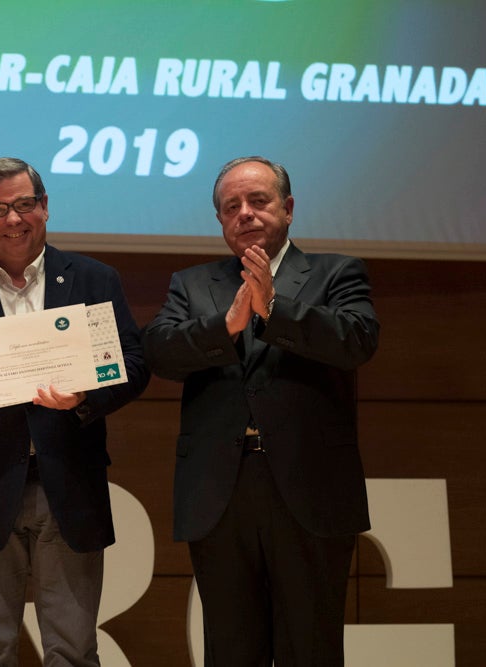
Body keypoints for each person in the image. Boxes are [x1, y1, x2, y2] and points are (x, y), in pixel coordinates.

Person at [0, 157, 149, 666]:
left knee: (74, 651)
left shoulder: (92, 279)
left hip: (70, 482)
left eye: (24, 205)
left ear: (44, 208)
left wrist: (86, 395)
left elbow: (134, 363)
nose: (14, 219)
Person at [142, 156, 380, 666]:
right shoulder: (193, 283)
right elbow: (159, 351)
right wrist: (224, 329)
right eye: (232, 206)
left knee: (309, 648)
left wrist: (276, 309)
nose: (245, 213)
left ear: (288, 209)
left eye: (258, 201)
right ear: (221, 221)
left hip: (309, 489)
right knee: (230, 650)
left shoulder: (335, 272)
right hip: (220, 493)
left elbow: (357, 340)